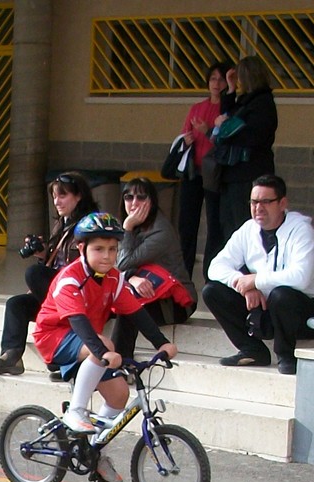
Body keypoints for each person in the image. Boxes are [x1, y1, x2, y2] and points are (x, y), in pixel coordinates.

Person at [32, 213, 177, 482]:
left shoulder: (114, 278)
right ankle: (75, 411)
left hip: (89, 344)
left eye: (113, 249)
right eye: (99, 249)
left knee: (120, 395)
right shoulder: (70, 278)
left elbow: (136, 313)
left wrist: (162, 343)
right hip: (55, 337)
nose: (108, 256)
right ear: (82, 248)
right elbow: (77, 322)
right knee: (105, 344)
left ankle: (96, 453)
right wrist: (102, 351)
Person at [0, 172, 98, 376]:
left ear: (79, 196)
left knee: (34, 274)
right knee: (17, 304)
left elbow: (84, 267)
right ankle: (11, 356)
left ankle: (65, 348)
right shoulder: (63, 222)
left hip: (77, 295)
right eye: (54, 196)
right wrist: (43, 252)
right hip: (60, 294)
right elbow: (57, 260)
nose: (57, 201)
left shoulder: (89, 225)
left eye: (63, 196)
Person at [202, 175, 314, 376]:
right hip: (264, 309)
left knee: (282, 295)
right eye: (254, 202)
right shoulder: (248, 229)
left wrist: (256, 280)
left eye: (266, 201)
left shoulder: (301, 230)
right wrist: (243, 284)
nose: (258, 208)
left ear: (282, 203)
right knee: (212, 291)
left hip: (301, 312)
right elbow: (216, 267)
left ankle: (286, 355)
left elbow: (300, 277)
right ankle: (252, 350)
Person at [111, 177, 197, 360]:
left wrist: (127, 228)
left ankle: (120, 365)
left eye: (141, 197)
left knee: (128, 307)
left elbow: (123, 263)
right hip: (144, 291)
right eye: (128, 197)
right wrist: (132, 277)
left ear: (152, 201)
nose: (134, 203)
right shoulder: (126, 227)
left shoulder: (160, 231)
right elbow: (107, 266)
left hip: (176, 302)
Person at [211, 56, 277, 254]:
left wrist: (226, 126)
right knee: (228, 226)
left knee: (244, 224)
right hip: (232, 175)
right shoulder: (246, 101)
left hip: (248, 175)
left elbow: (252, 135)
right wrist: (229, 89)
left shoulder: (263, 103)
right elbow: (229, 114)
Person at [176, 62, 228, 280]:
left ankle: (211, 276)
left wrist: (208, 131)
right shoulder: (197, 107)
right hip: (193, 172)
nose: (216, 84)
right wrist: (186, 140)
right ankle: (182, 276)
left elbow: (226, 143)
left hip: (215, 173)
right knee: (187, 225)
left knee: (214, 226)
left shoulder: (228, 109)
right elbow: (183, 136)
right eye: (213, 79)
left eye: (221, 79)